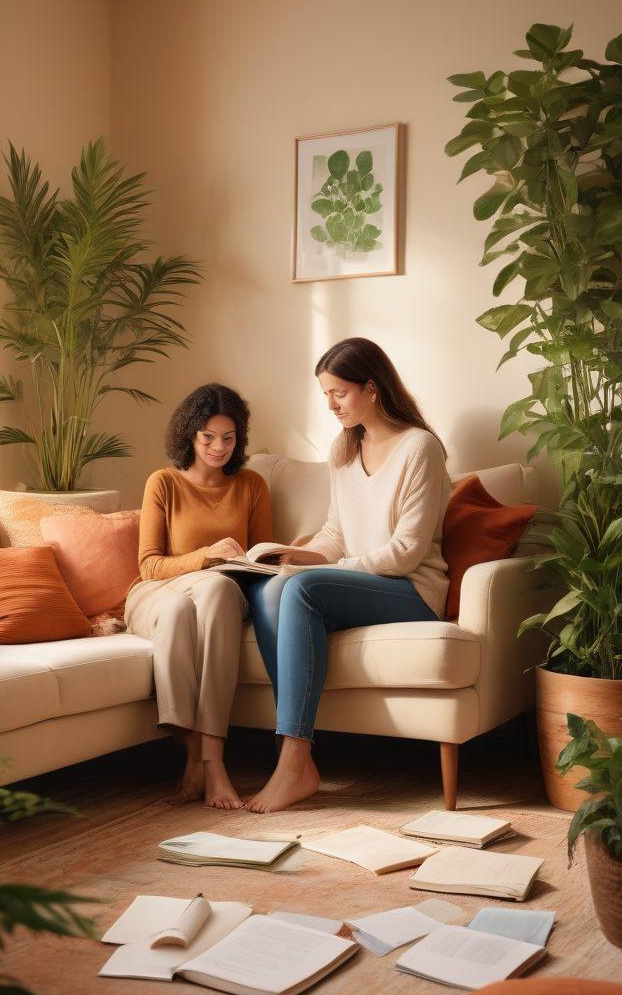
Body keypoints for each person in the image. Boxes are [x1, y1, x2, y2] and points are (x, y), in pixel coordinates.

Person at [243, 337, 450, 813]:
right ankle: (292, 756)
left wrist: (327, 572)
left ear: (372, 388)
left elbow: (404, 552)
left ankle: (293, 760)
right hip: (359, 583)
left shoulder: (420, 447)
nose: (331, 404)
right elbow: (336, 533)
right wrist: (291, 555)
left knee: (303, 590)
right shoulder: (344, 447)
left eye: (339, 392)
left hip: (411, 590)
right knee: (272, 590)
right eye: (325, 395)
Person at [126, 384, 272, 809]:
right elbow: (149, 565)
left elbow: (261, 560)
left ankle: (208, 758)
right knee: (178, 605)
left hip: (221, 593)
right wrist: (207, 556)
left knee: (220, 589)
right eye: (208, 437)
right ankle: (202, 755)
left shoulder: (252, 486)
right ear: (189, 435)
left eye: (229, 437)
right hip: (158, 591)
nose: (219, 447)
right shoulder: (164, 483)